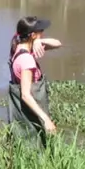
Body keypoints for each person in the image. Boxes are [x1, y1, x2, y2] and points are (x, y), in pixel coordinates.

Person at [8, 14, 64, 144]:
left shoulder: (17, 48)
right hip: (31, 111)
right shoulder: (27, 59)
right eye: (41, 32)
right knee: (34, 144)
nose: (43, 33)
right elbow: (26, 95)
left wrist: (40, 41)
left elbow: (58, 44)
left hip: (22, 112)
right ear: (32, 35)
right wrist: (45, 119)